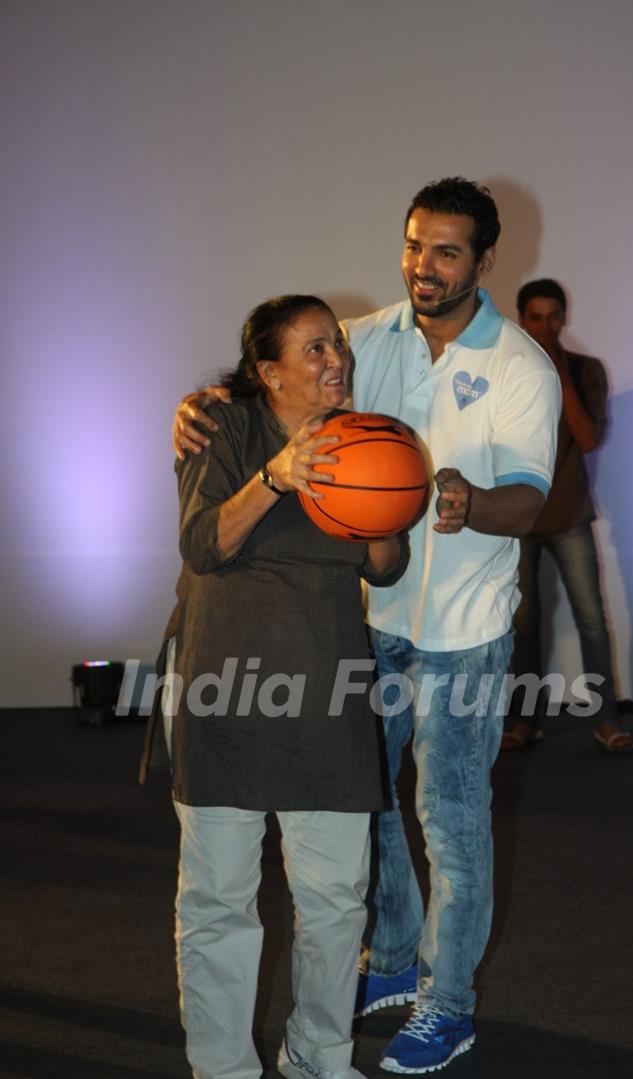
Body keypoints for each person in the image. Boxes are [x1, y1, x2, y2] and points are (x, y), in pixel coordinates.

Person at [172, 178, 561, 1074]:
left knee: (451, 821)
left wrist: (468, 499)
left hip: (462, 626)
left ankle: (447, 1003)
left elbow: (533, 503)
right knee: (370, 811)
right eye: (415, 245)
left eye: (448, 251)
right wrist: (195, 406)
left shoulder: (520, 366)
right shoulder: (367, 340)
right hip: (370, 623)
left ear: (485, 261)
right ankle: (388, 963)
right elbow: (271, 387)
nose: (425, 267)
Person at [146, 294, 409, 1079]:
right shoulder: (219, 425)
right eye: (315, 349)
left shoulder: (364, 435)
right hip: (225, 689)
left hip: (327, 689)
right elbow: (202, 544)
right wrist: (278, 474)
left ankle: (319, 1057)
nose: (336, 361)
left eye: (337, 345)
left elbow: (387, 565)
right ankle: (223, 1068)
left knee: (335, 903)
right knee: (220, 902)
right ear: (269, 370)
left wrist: (384, 506)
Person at [502, 278, 633, 754]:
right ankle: (524, 720)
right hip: (517, 515)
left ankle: (606, 719)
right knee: (522, 624)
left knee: (591, 621)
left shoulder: (584, 370)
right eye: (535, 317)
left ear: (564, 317)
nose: (545, 326)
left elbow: (589, 438)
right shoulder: (505, 369)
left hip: (570, 513)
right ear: (522, 319)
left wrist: (558, 374)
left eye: (552, 316)